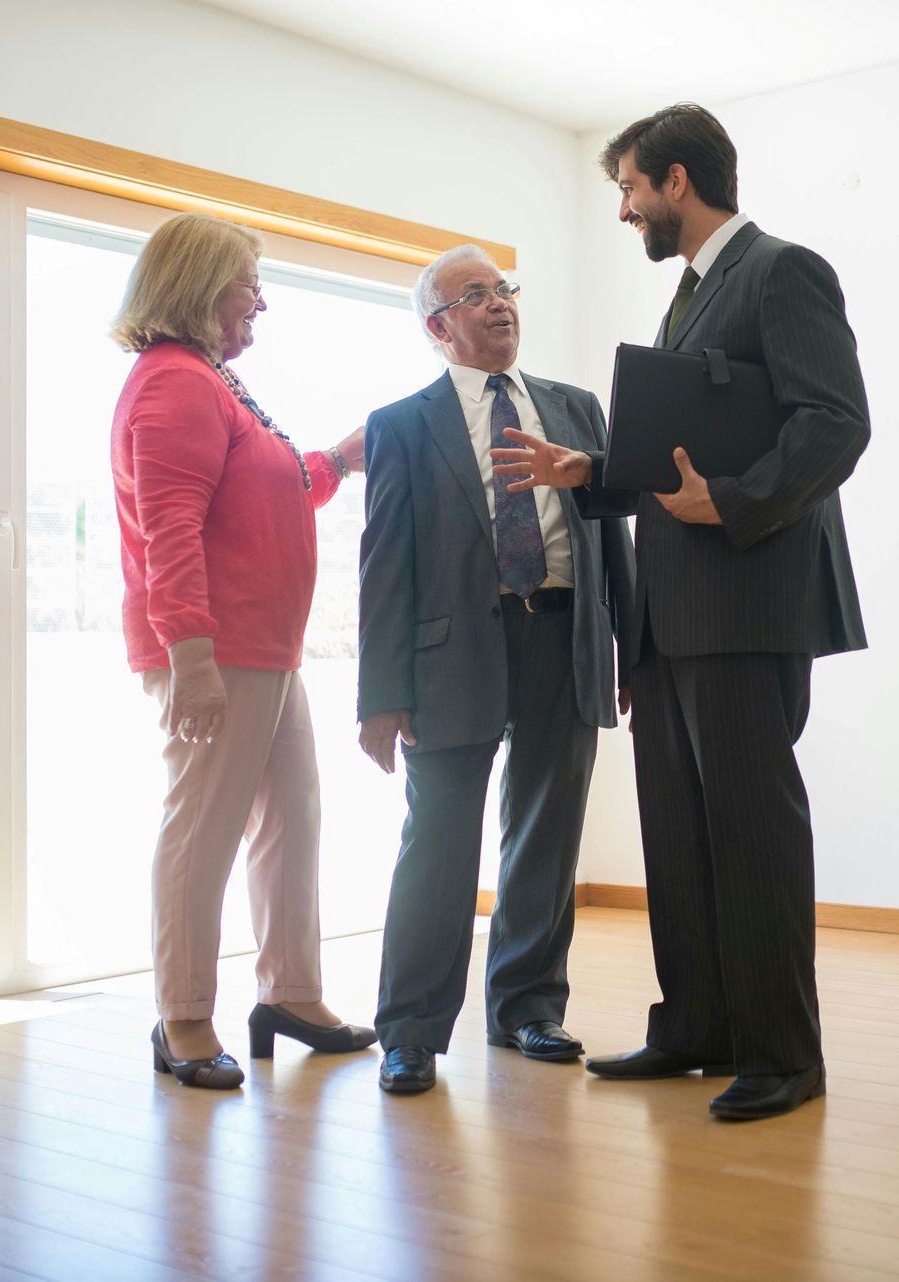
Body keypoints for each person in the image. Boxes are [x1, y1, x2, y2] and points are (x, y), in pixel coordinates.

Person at [492, 104, 868, 1120]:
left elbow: (836, 423)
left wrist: (734, 500)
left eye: (628, 189)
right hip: (668, 612)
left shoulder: (783, 272)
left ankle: (786, 1056)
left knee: (753, 831)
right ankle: (697, 1026)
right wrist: (595, 471)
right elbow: (681, 448)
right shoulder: (691, 296)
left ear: (676, 180)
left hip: (745, 602)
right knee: (680, 832)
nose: (623, 210)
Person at [357, 245, 638, 1096]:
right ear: (439, 328)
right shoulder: (402, 424)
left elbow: (610, 536)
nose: (498, 305)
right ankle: (409, 1031)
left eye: (503, 290)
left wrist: (629, 645)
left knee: (546, 838)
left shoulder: (576, 408)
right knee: (438, 844)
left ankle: (526, 1010)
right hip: (454, 656)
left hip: (564, 637)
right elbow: (384, 565)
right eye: (474, 296)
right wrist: (381, 695)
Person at [110, 211, 375, 1089]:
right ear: (198, 286)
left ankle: (290, 992)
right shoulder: (173, 384)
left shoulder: (215, 382)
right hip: (216, 651)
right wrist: (191, 662)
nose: (261, 298)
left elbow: (278, 489)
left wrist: (339, 457)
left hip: (268, 651)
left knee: (292, 818)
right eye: (248, 281)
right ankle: (183, 1017)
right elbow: (170, 534)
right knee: (204, 830)